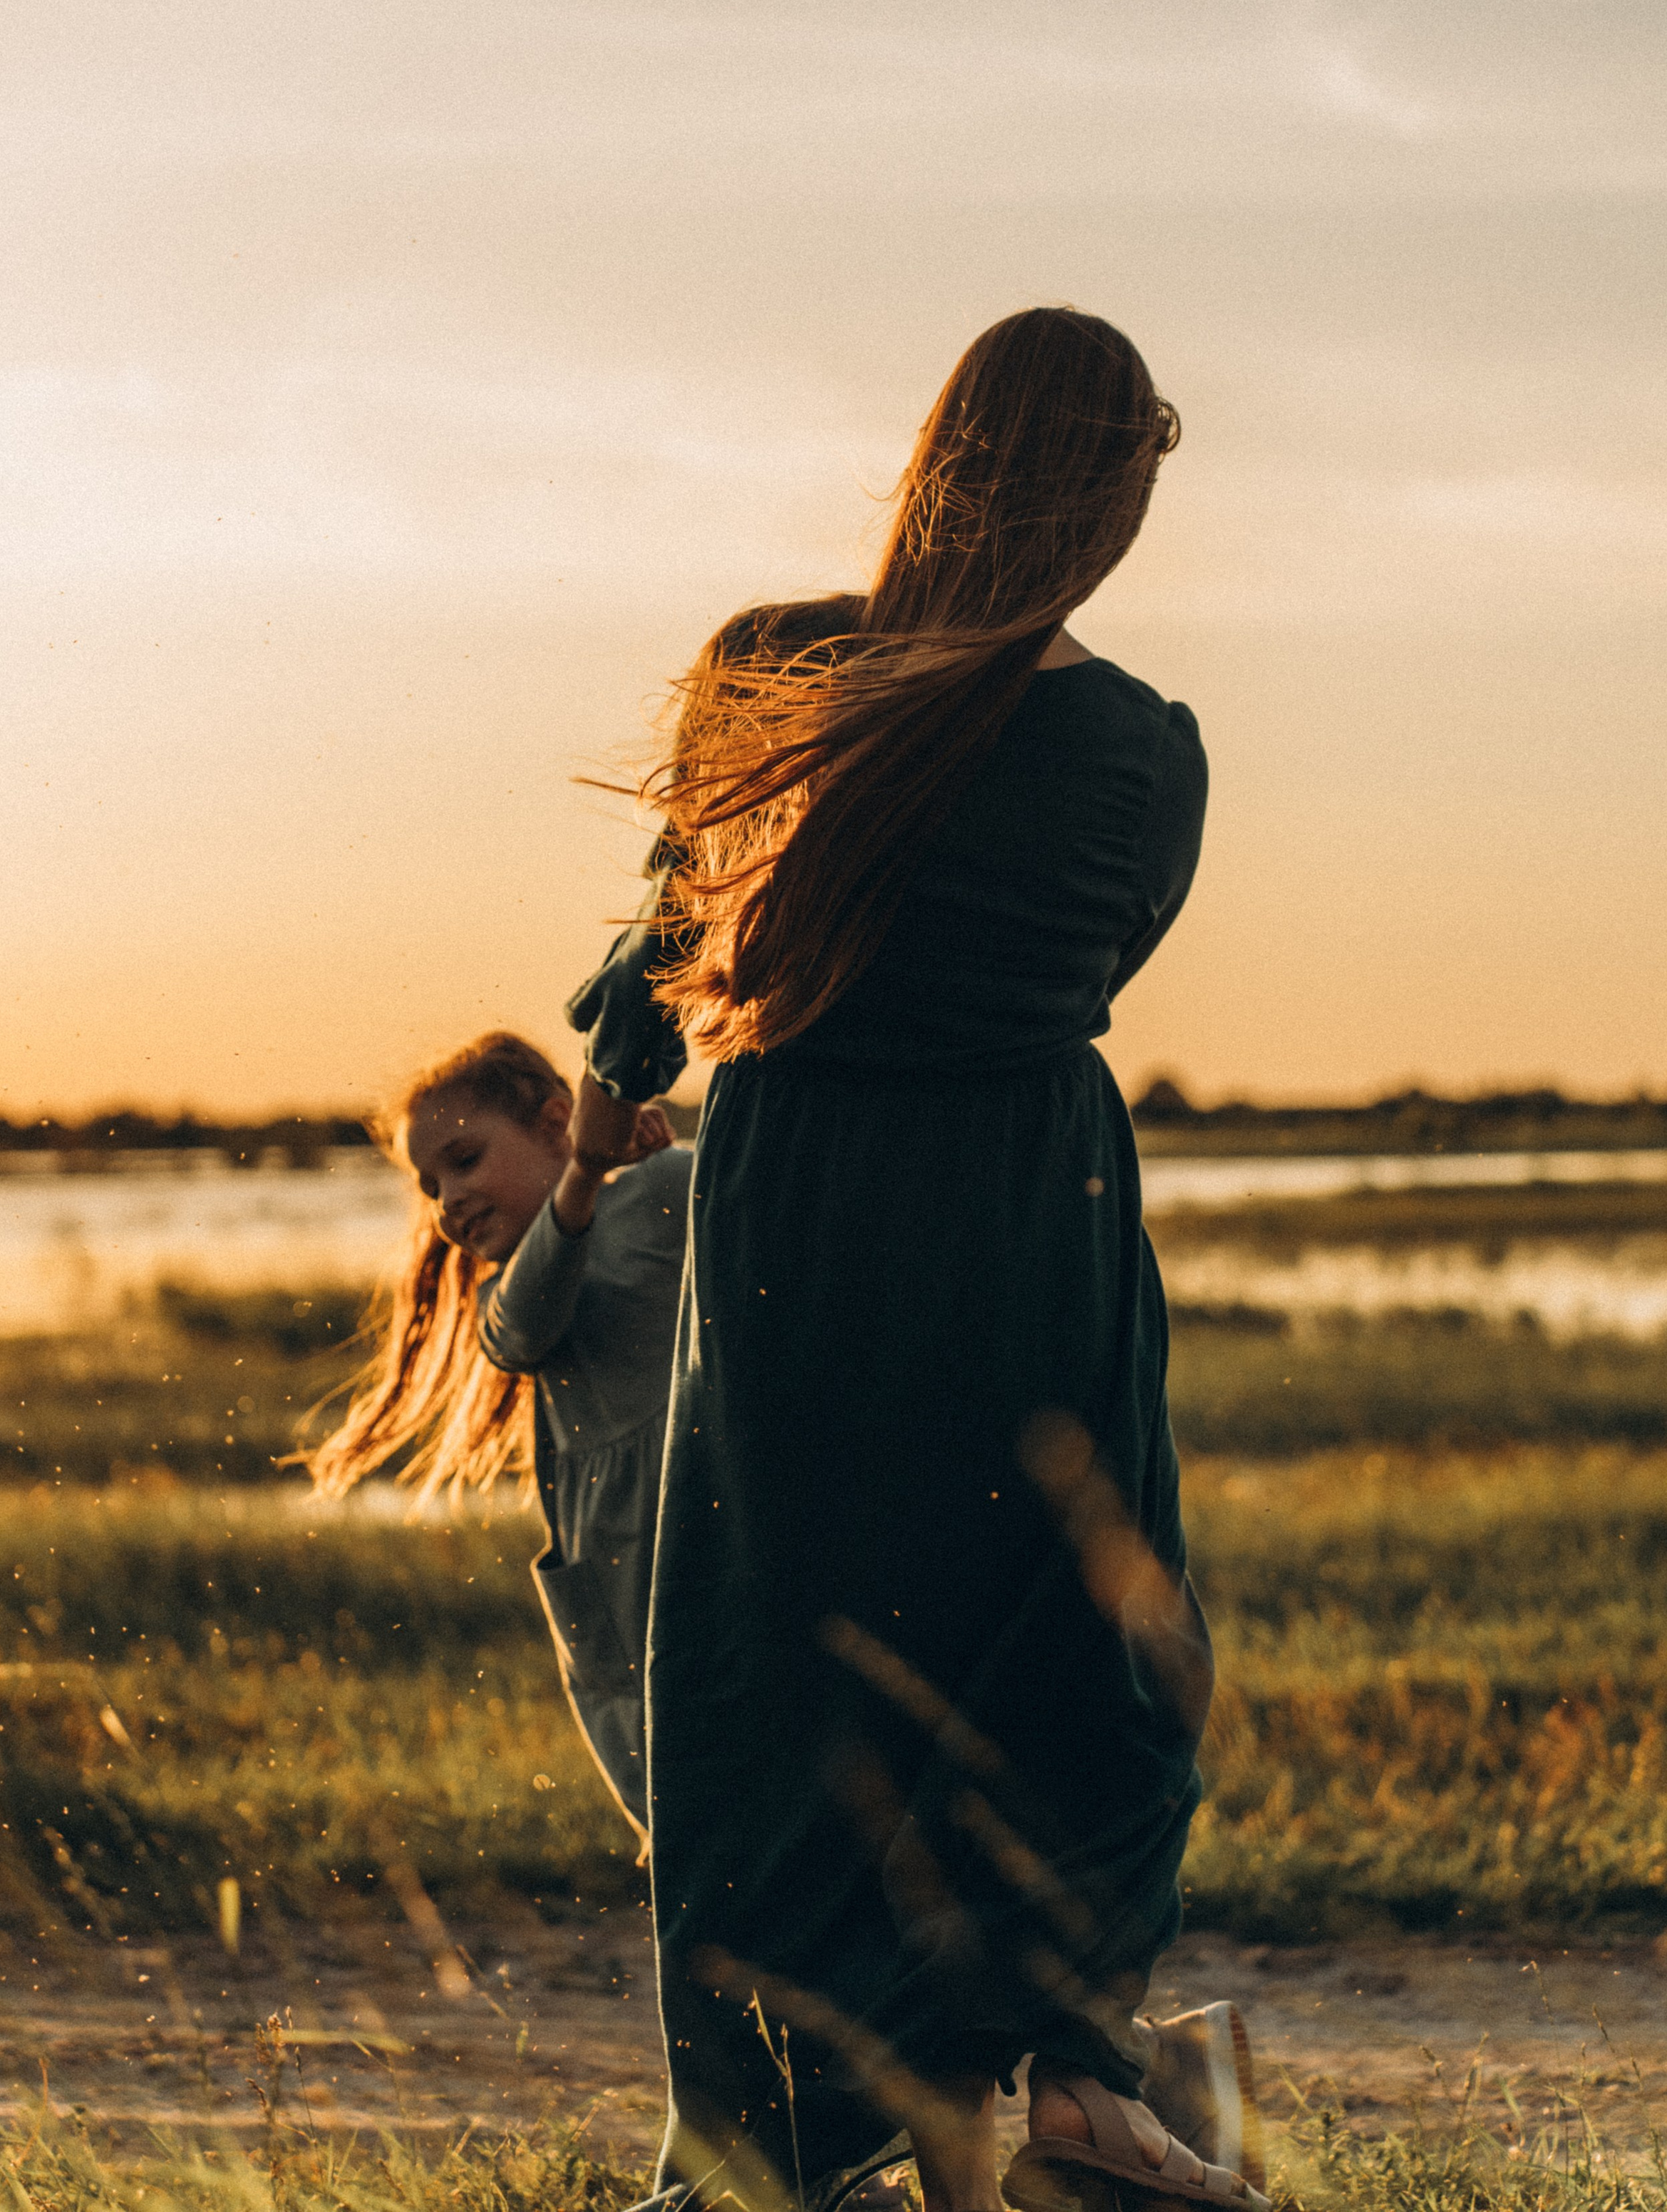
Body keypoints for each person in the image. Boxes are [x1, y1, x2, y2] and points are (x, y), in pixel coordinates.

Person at [567, 307, 1265, 2212]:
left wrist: (594, 1141)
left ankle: (762, 2139)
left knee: (783, 1661)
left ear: (932, 455)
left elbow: (651, 971)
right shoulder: (1138, 751)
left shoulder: (775, 670)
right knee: (1087, 1631)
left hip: (795, 1201)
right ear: (1117, 496)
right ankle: (1066, 2079)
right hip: (1026, 1201)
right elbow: (1088, 970)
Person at [305, 1029, 686, 1834]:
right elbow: (522, 1329)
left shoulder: (662, 1190)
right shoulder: (510, 1292)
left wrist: (638, 1155)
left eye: (466, 1160)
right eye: (430, 1185)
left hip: (701, 1558)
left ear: (558, 1124)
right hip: (616, 1600)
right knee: (673, 1822)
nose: (447, 1201)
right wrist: (582, 1176)